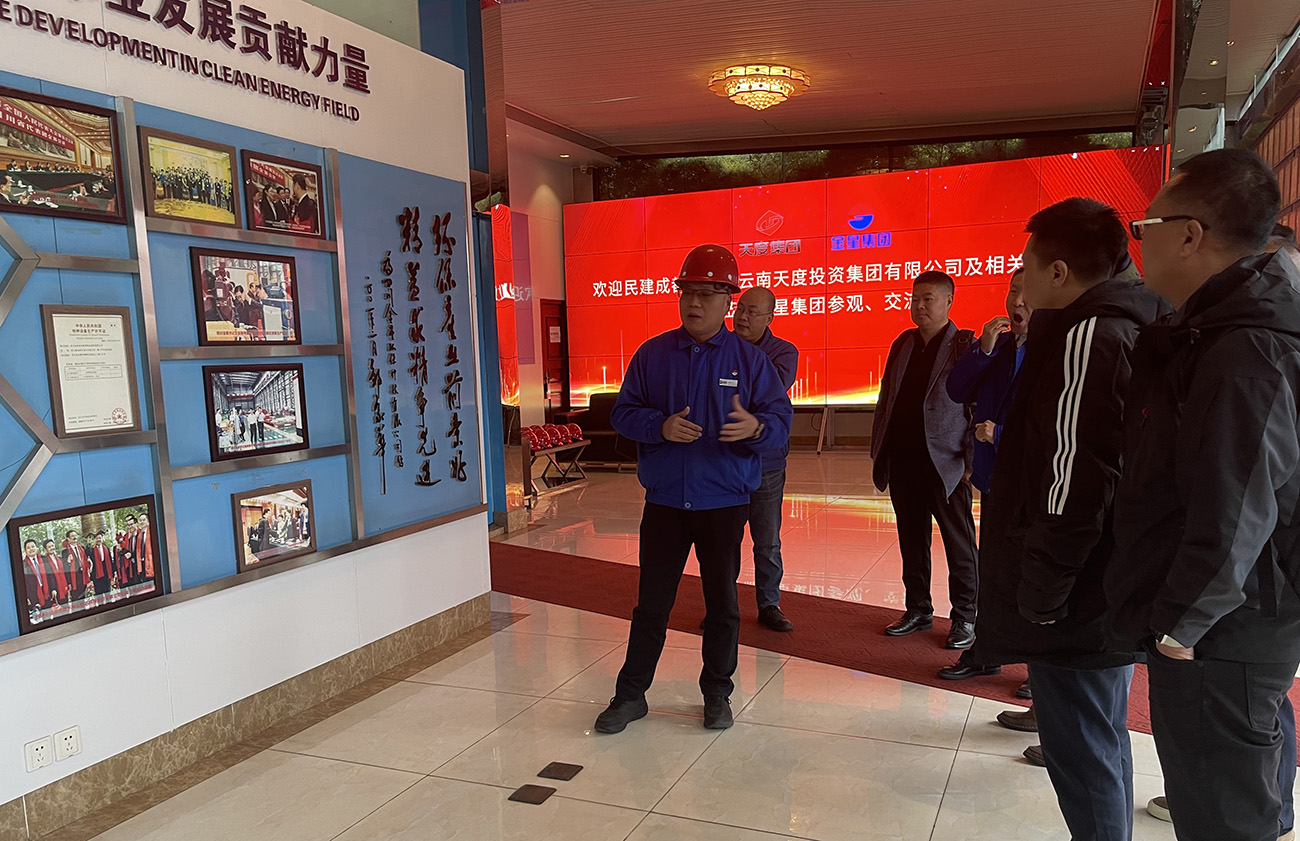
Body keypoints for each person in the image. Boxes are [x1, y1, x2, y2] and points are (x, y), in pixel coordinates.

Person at [1108, 149, 1300, 841]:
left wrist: (1179, 628)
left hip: (1223, 630)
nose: (1141, 241)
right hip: (1236, 618)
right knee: (1239, 799)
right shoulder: (1223, 327)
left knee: (1223, 818)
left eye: (1146, 226)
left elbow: (1236, 505)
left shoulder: (1245, 348)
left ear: (1190, 235)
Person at [974, 197, 1166, 841]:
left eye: (1026, 265)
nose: (1020, 280)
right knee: (1102, 737)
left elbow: (1075, 476)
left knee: (1082, 750)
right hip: (1107, 577)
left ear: (1058, 272)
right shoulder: (1131, 319)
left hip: (1077, 589)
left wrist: (1043, 589)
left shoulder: (1089, 334)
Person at [593, 244, 793, 734]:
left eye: (706, 294)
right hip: (665, 502)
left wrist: (756, 429)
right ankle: (630, 695)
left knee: (722, 604)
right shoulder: (654, 354)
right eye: (687, 293)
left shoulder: (751, 361)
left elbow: (780, 423)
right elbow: (623, 413)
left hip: (724, 502)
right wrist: (659, 426)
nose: (694, 303)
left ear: (728, 300)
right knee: (651, 604)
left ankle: (717, 695)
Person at [871, 270, 979, 649]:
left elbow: (975, 406)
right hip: (903, 459)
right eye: (915, 298)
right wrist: (879, 448)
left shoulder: (964, 346)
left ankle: (966, 617)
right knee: (911, 541)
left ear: (949, 301)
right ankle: (918, 609)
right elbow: (887, 396)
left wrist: (970, 461)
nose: (919, 305)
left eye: (928, 299)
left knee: (959, 544)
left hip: (945, 463)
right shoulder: (903, 343)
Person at [937, 268, 1031, 682]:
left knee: (1030, 573)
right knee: (993, 569)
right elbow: (957, 390)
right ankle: (987, 651)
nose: (1017, 302)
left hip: (1034, 482)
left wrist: (1001, 434)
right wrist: (985, 350)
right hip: (996, 479)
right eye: (1013, 292)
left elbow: (1057, 424)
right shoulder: (1001, 346)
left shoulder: (1058, 349)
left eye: (1027, 294)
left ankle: (1036, 670)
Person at [731, 286, 799, 632]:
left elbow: (766, 391)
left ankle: (769, 604)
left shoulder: (784, 352)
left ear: (770, 318)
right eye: (740, 309)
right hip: (725, 460)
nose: (742, 317)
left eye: (752, 312)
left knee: (767, 540)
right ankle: (723, 605)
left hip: (766, 461)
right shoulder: (718, 346)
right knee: (724, 540)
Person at [21, 538, 53, 611]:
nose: (31, 549)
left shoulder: (45, 559)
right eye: (28, 548)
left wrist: (53, 589)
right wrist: (26, 596)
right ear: (25, 551)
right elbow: (22, 583)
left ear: (36, 548)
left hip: (47, 592)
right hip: (33, 595)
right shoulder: (23, 564)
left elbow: (50, 575)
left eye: (33, 546)